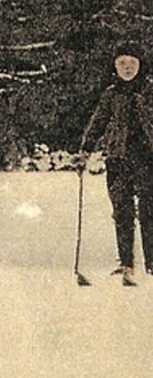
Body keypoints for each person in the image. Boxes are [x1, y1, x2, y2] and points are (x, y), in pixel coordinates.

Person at [80, 44, 153, 286]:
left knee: (149, 211)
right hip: (118, 159)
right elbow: (98, 122)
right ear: (115, 67)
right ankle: (126, 262)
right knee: (122, 211)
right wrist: (86, 148)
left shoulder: (149, 91)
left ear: (140, 65)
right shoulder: (111, 94)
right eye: (122, 63)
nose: (127, 68)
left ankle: (152, 263)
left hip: (147, 160)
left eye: (132, 63)